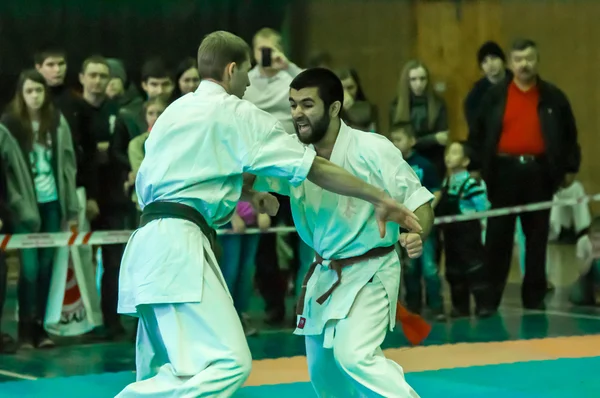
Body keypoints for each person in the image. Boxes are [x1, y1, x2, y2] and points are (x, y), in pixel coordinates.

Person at [116, 31, 422, 397]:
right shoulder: (236, 112)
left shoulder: (175, 111)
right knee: (228, 363)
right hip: (179, 246)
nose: (250, 83)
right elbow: (314, 169)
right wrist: (379, 198)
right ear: (231, 70)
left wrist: (246, 192)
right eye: (247, 72)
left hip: (145, 244)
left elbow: (186, 172)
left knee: (167, 366)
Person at [252, 68, 434, 397]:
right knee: (323, 375)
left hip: (371, 269)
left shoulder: (373, 149)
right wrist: (253, 194)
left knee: (355, 356)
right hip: (325, 271)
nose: (297, 113)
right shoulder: (293, 153)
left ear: (334, 108)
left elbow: (419, 201)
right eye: (292, 104)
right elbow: (250, 178)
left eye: (307, 104)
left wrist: (417, 233)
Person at [468, 38, 580, 311]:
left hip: (539, 172)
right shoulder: (494, 97)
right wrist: (474, 165)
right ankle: (488, 300)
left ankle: (534, 298)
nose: (524, 65)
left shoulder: (553, 97)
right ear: (510, 63)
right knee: (498, 239)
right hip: (503, 173)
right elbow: (478, 133)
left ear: (537, 60)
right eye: (518, 60)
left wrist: (569, 168)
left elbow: (569, 135)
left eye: (529, 59)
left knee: (537, 239)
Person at [390, 122, 443, 320]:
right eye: (392, 140)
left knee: (429, 266)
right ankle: (413, 305)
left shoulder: (424, 165)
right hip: (401, 226)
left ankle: (436, 305)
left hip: (422, 225)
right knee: (409, 267)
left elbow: (436, 190)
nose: (395, 144)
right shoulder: (392, 166)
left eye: (399, 139)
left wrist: (425, 211)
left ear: (412, 141)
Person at [437, 141, 493, 318]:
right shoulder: (446, 182)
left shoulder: (470, 183)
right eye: (448, 152)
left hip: (468, 235)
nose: (448, 156)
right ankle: (459, 307)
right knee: (453, 271)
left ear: (466, 161)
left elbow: (484, 207)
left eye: (454, 153)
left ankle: (484, 305)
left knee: (474, 269)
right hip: (450, 235)